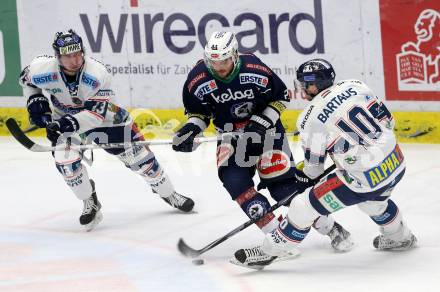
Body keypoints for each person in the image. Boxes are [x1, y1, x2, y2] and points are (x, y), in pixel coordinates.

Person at [172, 32, 353, 251]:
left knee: (283, 188)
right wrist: (191, 129)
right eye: (214, 61)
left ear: (235, 55)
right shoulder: (197, 79)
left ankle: (332, 228)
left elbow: (280, 97)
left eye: (224, 60)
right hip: (230, 137)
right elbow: (199, 114)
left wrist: (261, 121)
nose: (219, 67)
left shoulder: (254, 67)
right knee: (235, 183)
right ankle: (277, 238)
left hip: (267, 132)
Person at [231, 58, 418, 270]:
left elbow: (313, 170)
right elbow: (389, 122)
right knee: (373, 202)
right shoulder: (356, 85)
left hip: (363, 177)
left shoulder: (309, 119)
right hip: (396, 161)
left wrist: (302, 179)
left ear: (313, 85)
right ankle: (399, 236)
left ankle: (269, 252)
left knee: (303, 207)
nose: (302, 87)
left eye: (304, 83)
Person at [19, 29, 194, 231]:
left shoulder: (97, 73)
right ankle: (89, 200)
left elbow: (96, 115)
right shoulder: (42, 69)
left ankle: (168, 193)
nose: (75, 60)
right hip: (66, 123)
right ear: (58, 57)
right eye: (68, 56)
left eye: (78, 54)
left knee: (143, 162)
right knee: (66, 163)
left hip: (108, 121)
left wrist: (63, 124)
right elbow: (26, 81)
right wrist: (36, 102)